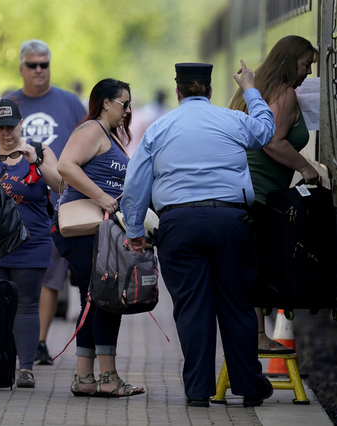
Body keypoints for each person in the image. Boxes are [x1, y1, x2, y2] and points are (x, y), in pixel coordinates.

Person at [121, 61, 275, 407]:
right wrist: (250, 88)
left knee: (192, 308)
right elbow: (266, 131)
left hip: (178, 226)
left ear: (178, 92)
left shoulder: (160, 129)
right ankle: (250, 385)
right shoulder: (231, 120)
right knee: (237, 305)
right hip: (229, 222)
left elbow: (135, 185)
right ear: (208, 91)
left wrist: (134, 230)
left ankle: (198, 391)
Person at [0, 40, 87, 365]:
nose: (40, 70)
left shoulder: (69, 103)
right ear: (22, 68)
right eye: (33, 65)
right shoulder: (6, 104)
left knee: (45, 282)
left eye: (45, 64)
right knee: (1, 295)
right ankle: (3, 354)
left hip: (46, 216)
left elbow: (71, 166)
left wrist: (40, 163)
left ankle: (35, 346)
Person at [51, 78, 143, 398]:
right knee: (106, 299)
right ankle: (108, 378)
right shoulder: (91, 130)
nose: (127, 110)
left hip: (100, 232)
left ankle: (85, 378)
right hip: (84, 231)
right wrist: (103, 197)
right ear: (106, 103)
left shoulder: (108, 136)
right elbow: (65, 165)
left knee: (93, 299)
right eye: (123, 103)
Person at [228, 35, 319, 353]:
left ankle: (253, 334)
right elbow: (272, 141)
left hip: (242, 189)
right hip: (261, 193)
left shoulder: (256, 91)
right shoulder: (285, 93)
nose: (307, 71)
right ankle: (257, 337)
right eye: (305, 63)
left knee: (249, 263)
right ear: (289, 60)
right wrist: (307, 170)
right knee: (257, 265)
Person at [0, 99, 61, 388]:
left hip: (32, 241)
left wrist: (36, 163)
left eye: (11, 127)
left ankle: (25, 368)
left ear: (21, 124)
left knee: (26, 304)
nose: (6, 134)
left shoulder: (39, 150)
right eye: (0, 128)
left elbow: (61, 185)